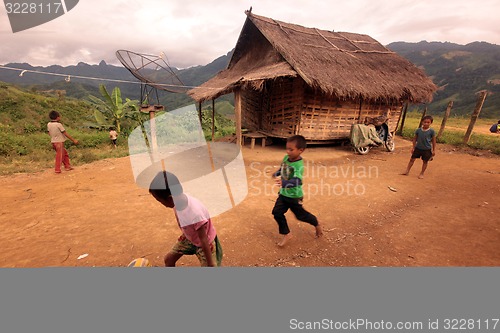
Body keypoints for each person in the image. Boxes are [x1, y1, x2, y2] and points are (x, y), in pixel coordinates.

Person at [149, 171, 222, 267]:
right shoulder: (177, 201)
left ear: (170, 199)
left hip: (205, 243)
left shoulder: (195, 213)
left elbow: (204, 240)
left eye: (159, 201)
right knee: (168, 260)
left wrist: (210, 264)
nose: (160, 204)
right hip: (190, 237)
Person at [271, 135, 322, 247]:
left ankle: (316, 224)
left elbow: (298, 181)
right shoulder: (286, 158)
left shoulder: (299, 165)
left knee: (301, 216)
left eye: (291, 149)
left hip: (294, 196)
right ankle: (287, 234)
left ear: (301, 150)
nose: (288, 151)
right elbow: (283, 167)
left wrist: (284, 183)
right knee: (277, 212)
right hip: (284, 194)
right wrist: (277, 173)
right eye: (287, 148)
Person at [401, 115, 437, 179]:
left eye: (428, 122)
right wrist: (413, 147)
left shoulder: (432, 131)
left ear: (431, 123)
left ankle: (422, 173)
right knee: (412, 159)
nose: (426, 124)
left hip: (427, 149)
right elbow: (414, 139)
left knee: (425, 161)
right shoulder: (418, 130)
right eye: (424, 122)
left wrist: (434, 150)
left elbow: (434, 141)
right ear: (422, 122)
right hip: (418, 148)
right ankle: (407, 171)